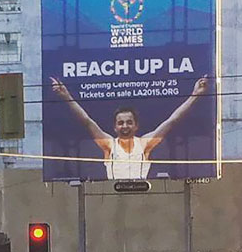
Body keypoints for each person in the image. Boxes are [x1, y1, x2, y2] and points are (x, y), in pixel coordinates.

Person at [51, 76, 209, 179]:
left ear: (136, 126)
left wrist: (195, 95)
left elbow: (172, 120)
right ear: (115, 127)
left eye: (129, 122)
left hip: (141, 194)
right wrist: (66, 96)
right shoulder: (108, 144)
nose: (125, 126)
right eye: (120, 123)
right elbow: (86, 121)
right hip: (113, 193)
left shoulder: (145, 144)